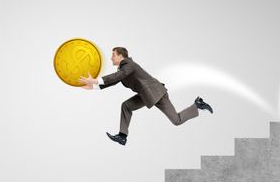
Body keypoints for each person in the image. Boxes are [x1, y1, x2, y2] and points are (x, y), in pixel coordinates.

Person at [79, 47, 213, 146]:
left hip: (156, 93)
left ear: (121, 56)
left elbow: (118, 76)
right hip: (146, 95)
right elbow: (115, 79)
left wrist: (96, 80)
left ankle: (197, 105)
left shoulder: (128, 65)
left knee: (176, 120)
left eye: (113, 55)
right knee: (126, 106)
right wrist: (94, 86)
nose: (111, 57)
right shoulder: (123, 69)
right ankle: (122, 136)